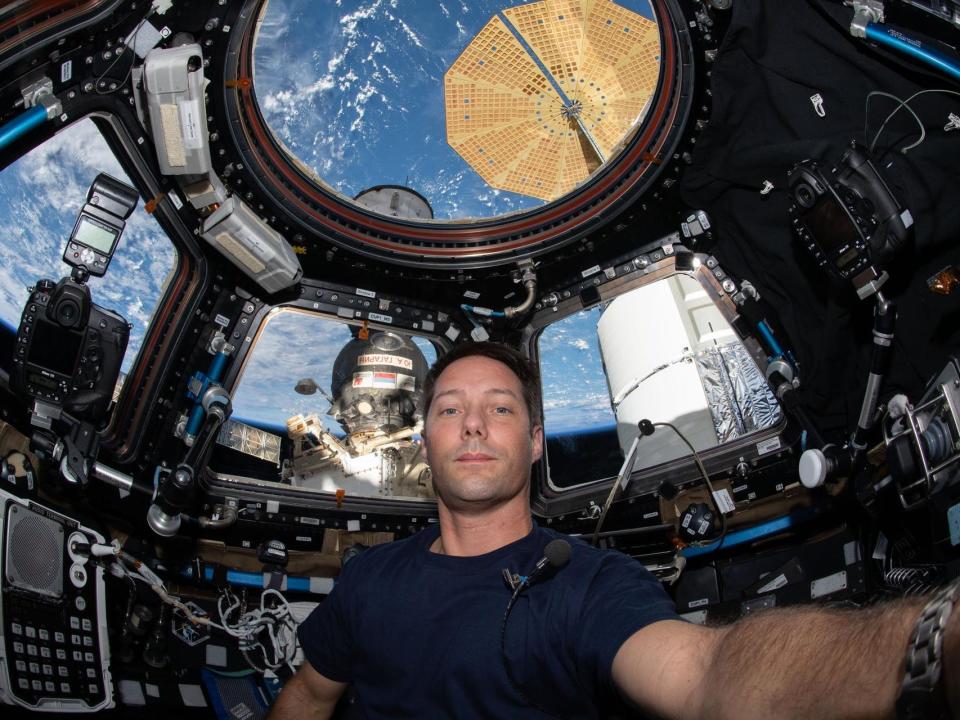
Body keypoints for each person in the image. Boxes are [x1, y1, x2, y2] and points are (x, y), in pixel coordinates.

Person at [269, 341, 959, 719]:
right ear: (425, 440)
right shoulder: (369, 580)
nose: (473, 423)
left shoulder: (591, 586)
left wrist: (931, 644)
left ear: (536, 443)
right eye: (450, 409)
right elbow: (307, 695)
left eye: (500, 408)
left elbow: (704, 673)